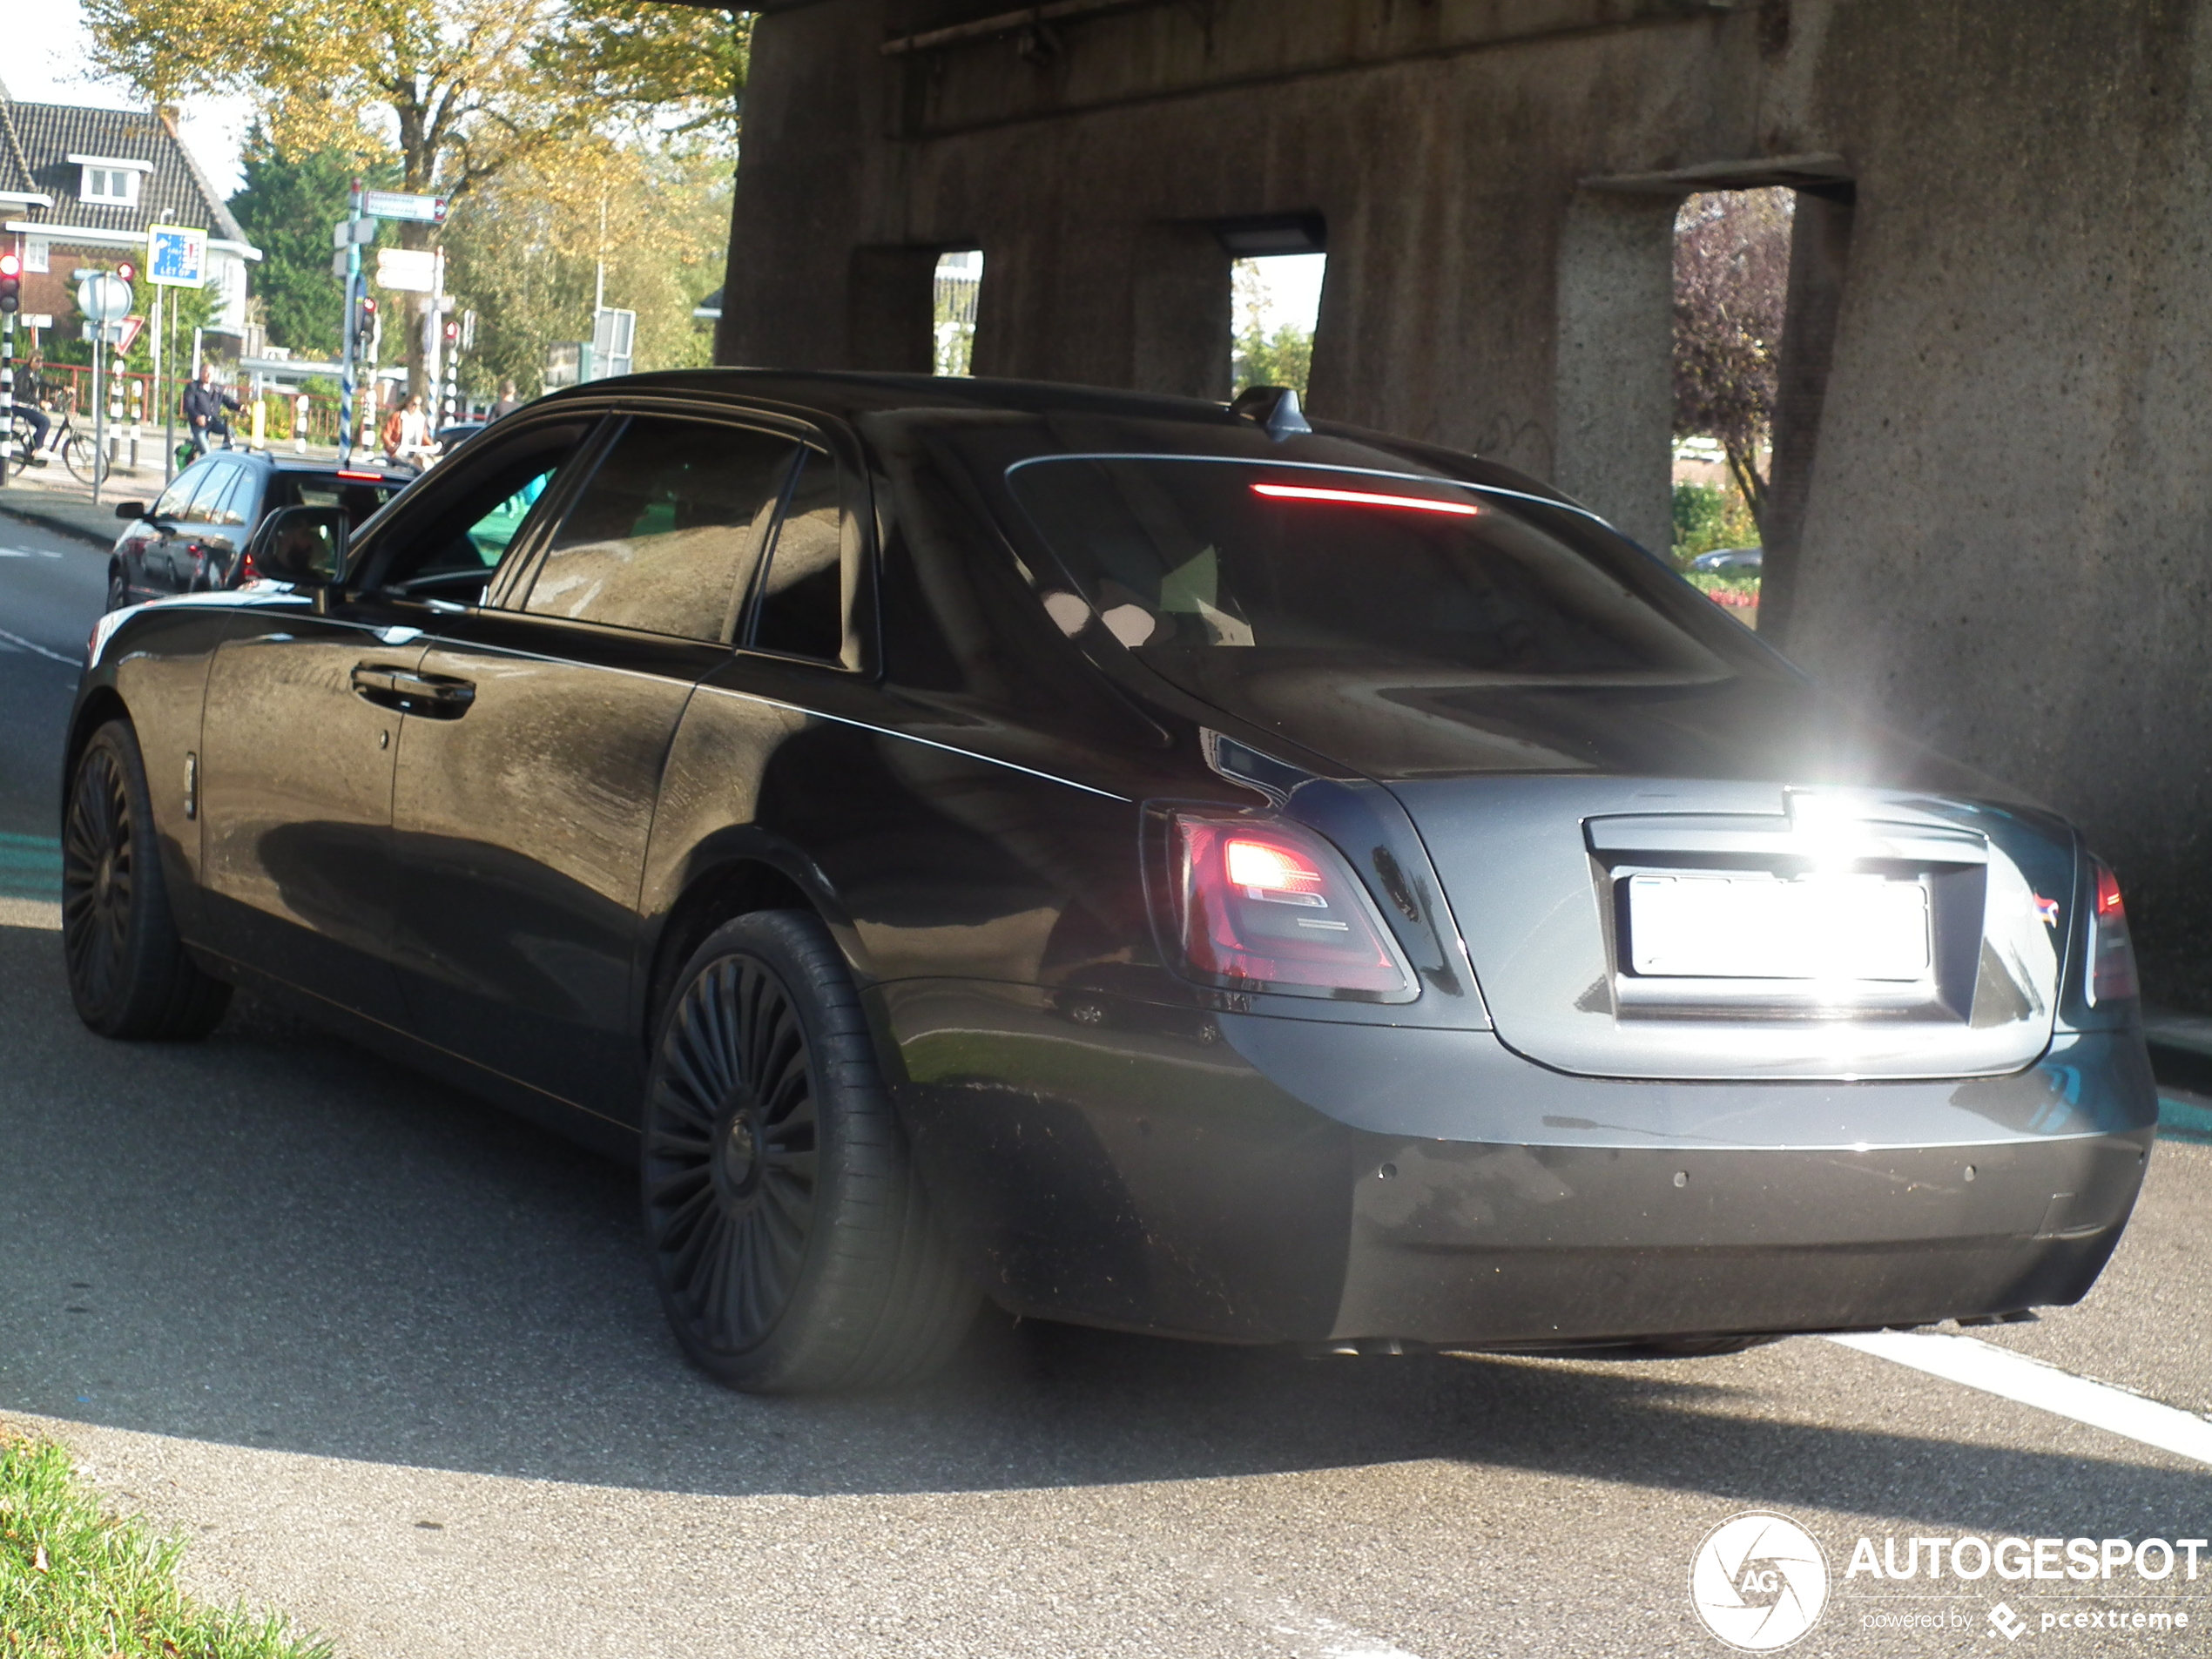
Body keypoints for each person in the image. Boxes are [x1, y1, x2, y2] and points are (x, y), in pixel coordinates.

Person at [181, 363, 239, 456]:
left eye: (211, 373)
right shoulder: (193, 387)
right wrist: (197, 417)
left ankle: (225, 452)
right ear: (201, 373)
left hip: (213, 422)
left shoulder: (216, 389)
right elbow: (189, 406)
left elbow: (227, 401)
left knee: (230, 430)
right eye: (206, 372)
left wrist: (240, 407)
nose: (209, 375)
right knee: (206, 453)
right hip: (199, 425)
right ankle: (197, 445)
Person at [11, 352, 51, 462]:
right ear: (30, 361)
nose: (40, 363)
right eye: (37, 361)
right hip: (19, 406)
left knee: (42, 423)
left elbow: (46, 383)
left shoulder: (35, 373)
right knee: (45, 422)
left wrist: (64, 388)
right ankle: (38, 448)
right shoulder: (23, 373)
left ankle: (31, 448)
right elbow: (23, 393)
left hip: (27, 406)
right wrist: (40, 402)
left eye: (41, 361)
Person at [383, 393, 434, 467]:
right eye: (414, 404)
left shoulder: (421, 419)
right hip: (398, 452)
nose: (416, 407)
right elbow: (386, 434)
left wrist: (432, 447)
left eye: (419, 405)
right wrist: (391, 444)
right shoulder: (398, 416)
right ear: (408, 404)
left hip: (415, 451)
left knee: (427, 463)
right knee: (410, 464)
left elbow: (423, 437)